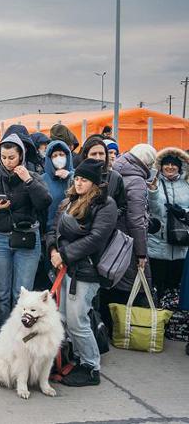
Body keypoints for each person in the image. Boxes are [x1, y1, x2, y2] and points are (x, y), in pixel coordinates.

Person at [46, 159, 117, 387]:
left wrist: (63, 254)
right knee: (66, 318)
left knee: (78, 320)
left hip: (87, 271)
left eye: (83, 180)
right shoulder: (70, 200)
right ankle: (77, 360)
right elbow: (53, 229)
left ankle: (91, 366)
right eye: (76, 178)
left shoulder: (106, 205)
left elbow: (96, 239)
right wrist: (53, 251)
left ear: (94, 183)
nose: (78, 183)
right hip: (67, 268)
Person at [0, 133, 52, 325]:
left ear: (21, 156)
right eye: (3, 157)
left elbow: (44, 202)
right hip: (0, 238)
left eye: (12, 157)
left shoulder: (32, 176)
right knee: (1, 292)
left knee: (22, 294)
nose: (7, 162)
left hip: (26, 239)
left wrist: (28, 181)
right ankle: (3, 337)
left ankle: (21, 336)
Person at [100, 144, 156, 329]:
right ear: (147, 162)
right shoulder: (137, 181)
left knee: (110, 280)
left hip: (111, 237)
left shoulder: (115, 171)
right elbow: (136, 220)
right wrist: (141, 253)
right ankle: (123, 328)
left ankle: (107, 325)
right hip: (127, 241)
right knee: (129, 284)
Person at [147, 148, 189, 297]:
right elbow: (154, 211)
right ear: (161, 166)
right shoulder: (154, 182)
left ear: (180, 166)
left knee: (177, 288)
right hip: (157, 244)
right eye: (166, 164)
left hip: (181, 245)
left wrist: (183, 213)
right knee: (158, 287)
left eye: (174, 164)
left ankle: (175, 318)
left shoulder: (187, 184)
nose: (170, 167)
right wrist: (152, 192)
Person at [42, 140, 74, 231]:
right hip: (49, 230)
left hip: (71, 229)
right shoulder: (42, 179)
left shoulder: (76, 176)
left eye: (61, 154)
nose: (58, 158)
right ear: (49, 159)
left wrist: (69, 176)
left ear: (67, 156)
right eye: (54, 156)